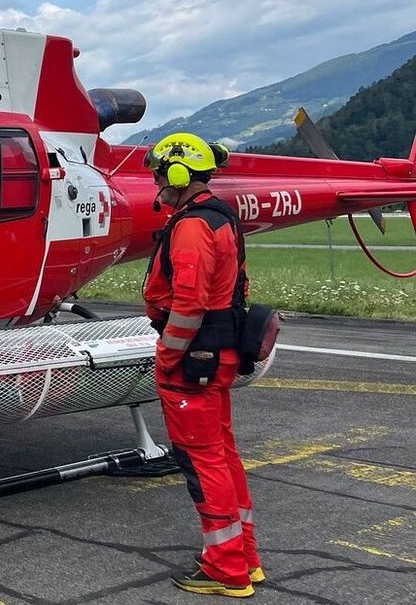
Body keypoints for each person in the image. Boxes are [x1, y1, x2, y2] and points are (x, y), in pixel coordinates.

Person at [143, 132, 263, 598]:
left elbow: (189, 304)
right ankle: (244, 558)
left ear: (177, 174)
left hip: (193, 364)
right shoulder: (221, 218)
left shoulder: (192, 226)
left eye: (160, 171)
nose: (156, 180)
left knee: (201, 461)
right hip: (218, 357)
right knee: (222, 455)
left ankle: (226, 570)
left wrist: (167, 357)